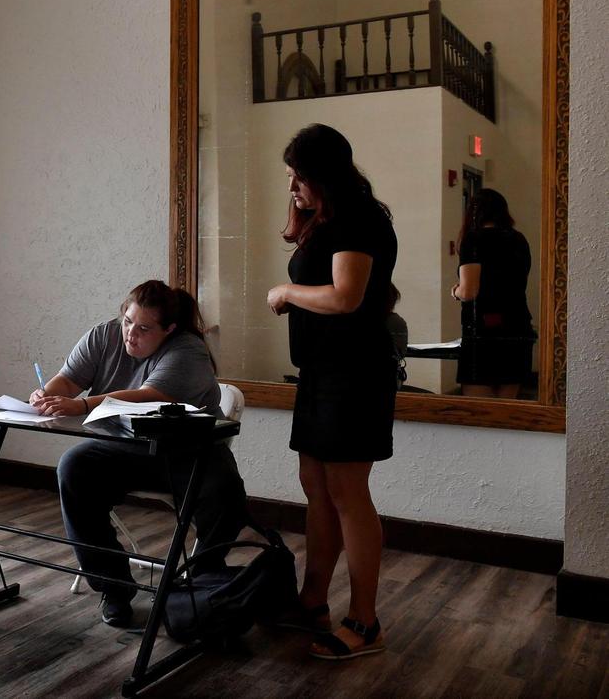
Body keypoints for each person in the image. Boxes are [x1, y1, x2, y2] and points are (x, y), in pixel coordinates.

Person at [32, 280, 247, 628]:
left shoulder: (188, 350)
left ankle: (202, 580)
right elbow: (68, 381)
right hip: (126, 450)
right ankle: (114, 585)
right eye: (127, 321)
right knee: (73, 468)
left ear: (169, 330)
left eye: (144, 328)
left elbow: (150, 396)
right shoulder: (104, 336)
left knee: (225, 493)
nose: (131, 334)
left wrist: (80, 404)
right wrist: (45, 395)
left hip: (187, 452)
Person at [264, 123, 397, 660]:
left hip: (355, 374)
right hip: (322, 371)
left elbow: (345, 297)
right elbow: (373, 291)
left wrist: (286, 290)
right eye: (291, 176)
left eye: (300, 177)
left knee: (347, 493)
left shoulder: (362, 219)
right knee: (316, 485)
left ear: (327, 176)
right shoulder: (333, 218)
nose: (292, 184)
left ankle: (365, 623)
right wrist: (300, 216)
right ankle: (312, 598)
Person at [452, 188, 536, 399]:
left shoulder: (474, 239)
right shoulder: (519, 239)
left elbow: (469, 291)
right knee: (507, 408)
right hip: (517, 325)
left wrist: (456, 291)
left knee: (480, 411)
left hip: (484, 330)